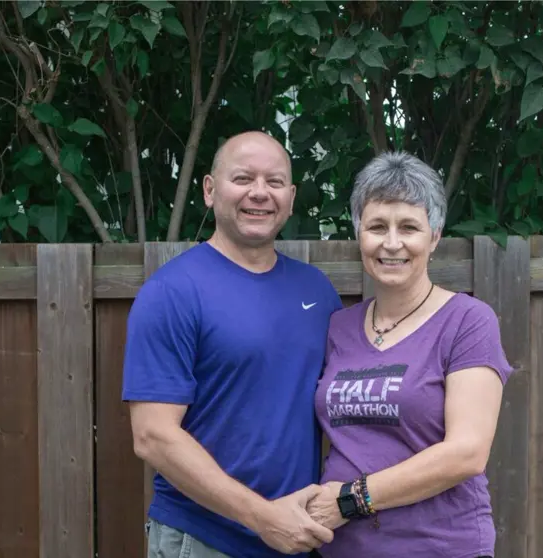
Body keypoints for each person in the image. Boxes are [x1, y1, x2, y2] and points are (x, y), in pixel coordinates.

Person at [123, 131, 343, 558]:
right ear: (209, 190)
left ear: (292, 196)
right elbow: (153, 436)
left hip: (297, 536)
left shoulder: (316, 290)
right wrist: (263, 518)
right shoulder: (173, 292)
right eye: (243, 178)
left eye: (275, 182)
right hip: (204, 538)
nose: (259, 193)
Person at [304, 151, 513, 557]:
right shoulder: (339, 327)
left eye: (409, 227)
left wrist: (351, 499)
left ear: (434, 237)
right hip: (346, 549)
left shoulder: (468, 321)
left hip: (439, 546)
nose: (392, 243)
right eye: (377, 226)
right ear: (358, 235)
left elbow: (466, 453)